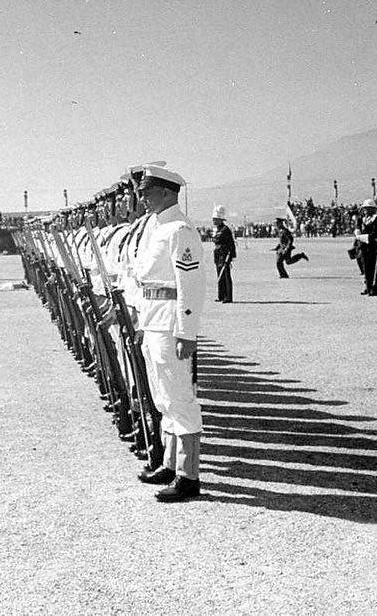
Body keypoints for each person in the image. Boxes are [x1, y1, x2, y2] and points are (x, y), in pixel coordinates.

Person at [131, 164, 205, 503]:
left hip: (171, 325)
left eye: (146, 192)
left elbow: (190, 285)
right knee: (163, 397)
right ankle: (170, 463)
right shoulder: (154, 227)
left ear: (165, 192)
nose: (141, 198)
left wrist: (187, 332)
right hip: (153, 320)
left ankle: (189, 476)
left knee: (180, 399)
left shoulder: (179, 230)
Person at [355, 199, 377, 296]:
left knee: (373, 268)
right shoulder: (362, 218)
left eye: (368, 208)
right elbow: (358, 228)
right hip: (363, 246)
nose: (365, 210)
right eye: (364, 208)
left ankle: (374, 288)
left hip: (372, 245)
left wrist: (363, 237)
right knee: (365, 267)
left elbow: (376, 233)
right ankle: (367, 286)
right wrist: (357, 233)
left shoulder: (376, 218)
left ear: (372, 209)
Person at [211, 205, 235, 303]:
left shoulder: (225, 230)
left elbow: (231, 245)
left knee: (226, 276)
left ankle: (228, 297)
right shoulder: (217, 230)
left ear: (220, 219)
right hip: (218, 255)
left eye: (215, 219)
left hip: (224, 255)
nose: (213, 221)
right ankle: (221, 295)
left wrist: (230, 257)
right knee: (219, 276)